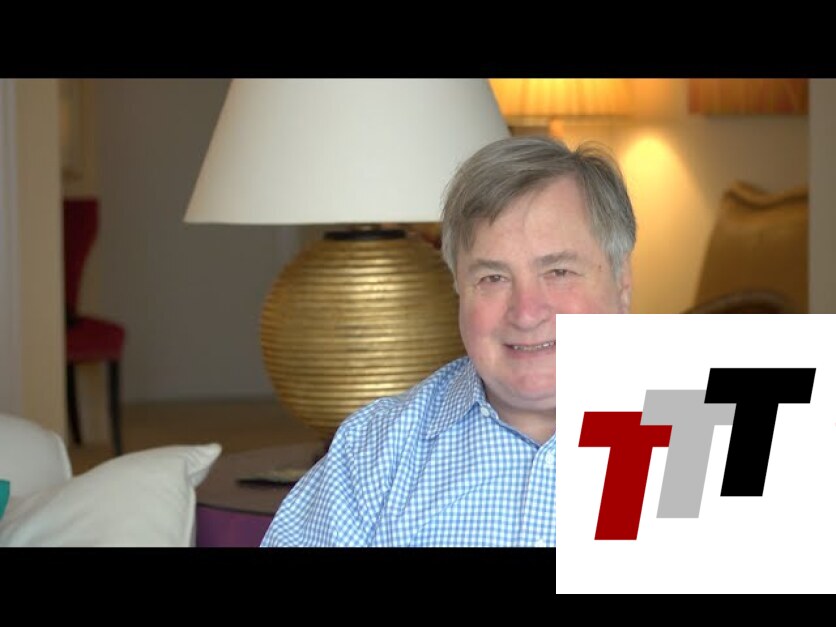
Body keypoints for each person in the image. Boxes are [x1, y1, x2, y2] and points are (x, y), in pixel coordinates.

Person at [260, 135, 636, 547]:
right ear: (459, 287)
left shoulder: (691, 429)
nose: (526, 312)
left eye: (559, 272)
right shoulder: (370, 453)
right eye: (493, 278)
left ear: (622, 283)